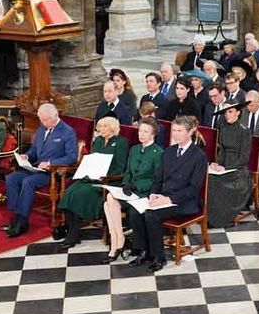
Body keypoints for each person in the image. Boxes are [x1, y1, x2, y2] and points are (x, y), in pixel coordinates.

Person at [126, 115, 208, 272]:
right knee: (135, 211)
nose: (175, 134)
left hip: (185, 202)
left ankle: (158, 257)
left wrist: (168, 199)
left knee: (151, 215)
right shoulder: (168, 152)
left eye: (179, 130)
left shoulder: (199, 156)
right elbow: (158, 179)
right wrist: (153, 194)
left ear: (190, 132)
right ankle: (143, 251)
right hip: (163, 197)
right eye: (173, 130)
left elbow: (193, 189)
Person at [3, 104, 78, 238]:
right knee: (12, 178)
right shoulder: (42, 129)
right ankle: (16, 217)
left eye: (46, 120)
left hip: (53, 173)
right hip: (36, 168)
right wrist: (27, 155)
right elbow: (35, 149)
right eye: (41, 120)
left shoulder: (67, 131)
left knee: (28, 182)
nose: (43, 123)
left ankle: (22, 221)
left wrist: (50, 163)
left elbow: (71, 157)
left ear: (55, 116)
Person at [57, 116, 130, 250]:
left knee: (82, 194)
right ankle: (72, 231)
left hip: (108, 180)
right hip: (91, 177)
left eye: (104, 126)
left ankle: (73, 235)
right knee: (70, 191)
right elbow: (92, 160)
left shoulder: (121, 142)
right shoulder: (98, 141)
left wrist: (104, 175)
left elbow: (120, 167)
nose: (101, 129)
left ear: (112, 128)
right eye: (100, 127)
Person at [101, 118, 163, 263]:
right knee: (109, 199)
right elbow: (128, 171)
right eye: (140, 130)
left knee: (108, 203)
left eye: (145, 131)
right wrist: (125, 184)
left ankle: (117, 244)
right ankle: (118, 239)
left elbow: (155, 179)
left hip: (143, 193)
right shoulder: (134, 149)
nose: (141, 134)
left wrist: (136, 186)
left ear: (153, 134)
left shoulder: (158, 152)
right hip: (130, 190)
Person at [207, 100, 254, 228]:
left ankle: (221, 218)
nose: (227, 115)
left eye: (230, 112)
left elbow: (244, 157)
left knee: (221, 183)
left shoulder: (244, 131)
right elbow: (221, 150)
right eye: (225, 112)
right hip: (224, 164)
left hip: (238, 170)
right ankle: (210, 216)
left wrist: (227, 168)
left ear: (238, 113)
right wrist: (216, 164)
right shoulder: (222, 128)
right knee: (210, 179)